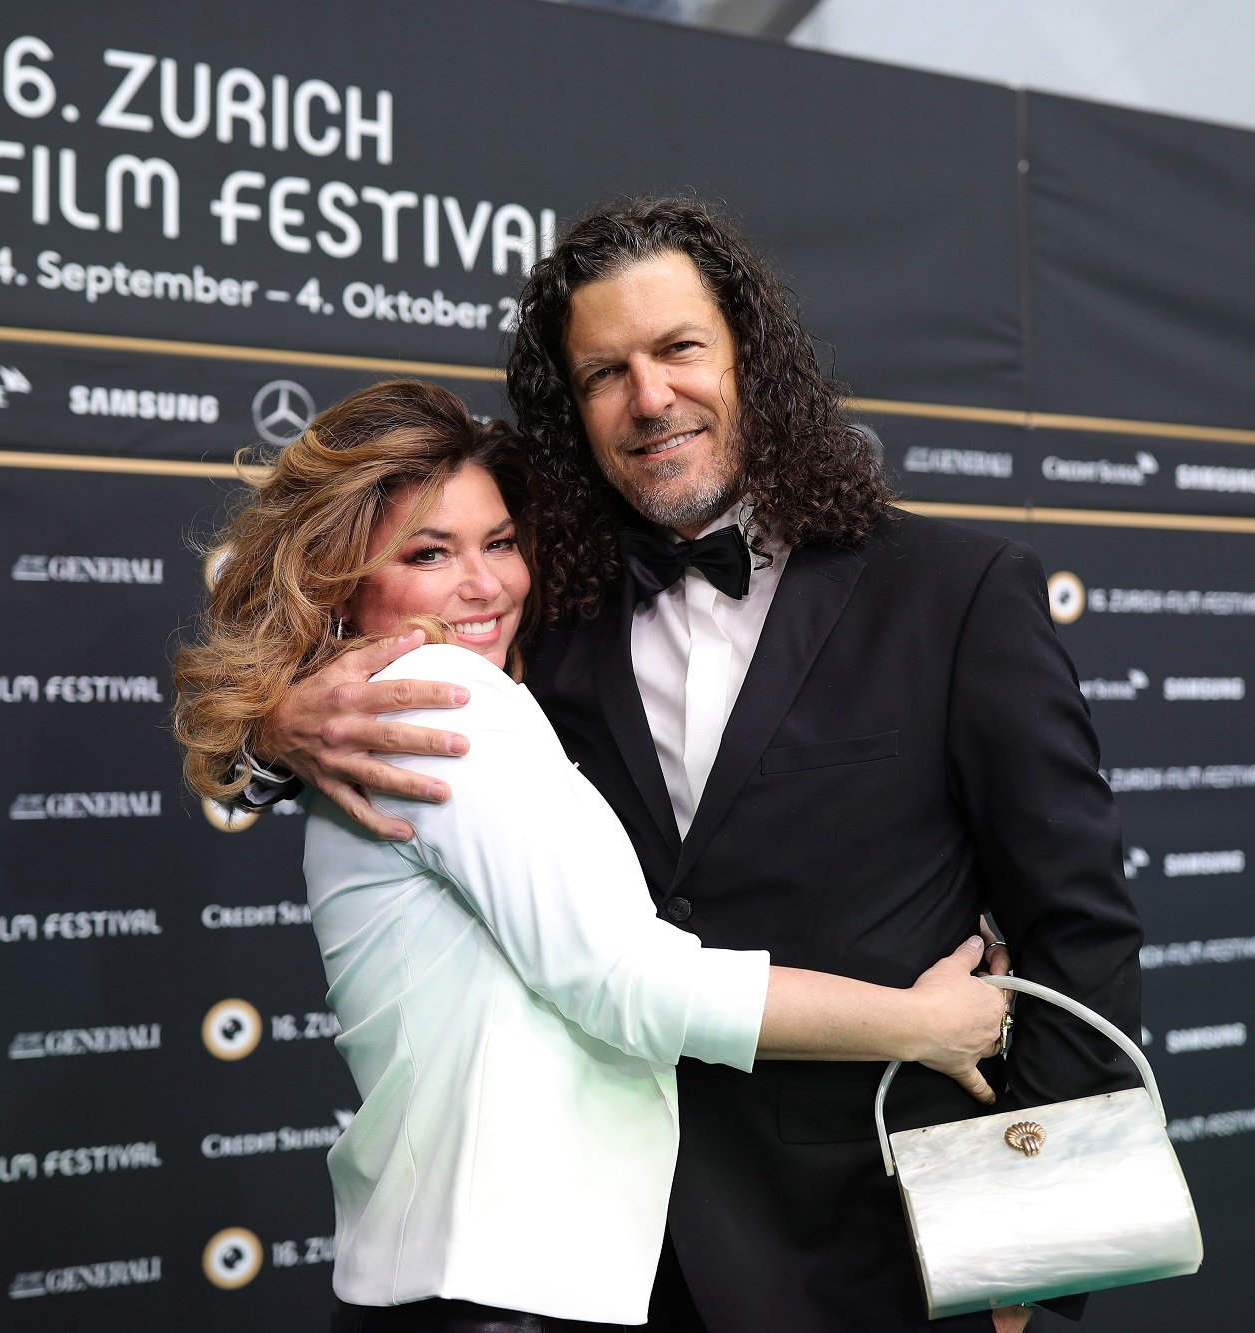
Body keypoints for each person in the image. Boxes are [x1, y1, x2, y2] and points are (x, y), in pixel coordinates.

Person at [250, 200, 1145, 1333]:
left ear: (749, 360)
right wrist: (270, 729)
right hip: (616, 1260)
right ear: (572, 411)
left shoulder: (954, 594)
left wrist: (1035, 1236)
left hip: (877, 1247)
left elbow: (1077, 923)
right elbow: (380, 702)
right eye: (602, 374)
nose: (649, 397)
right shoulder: (537, 611)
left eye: (677, 349)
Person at [174, 379, 1011, 1332]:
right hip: (506, 1285)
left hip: (497, 1268)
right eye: (428, 553)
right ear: (339, 577)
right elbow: (627, 980)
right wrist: (919, 1024)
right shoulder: (440, 691)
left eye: (498, 542)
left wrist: (270, 728)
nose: (485, 584)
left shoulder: (391, 697)